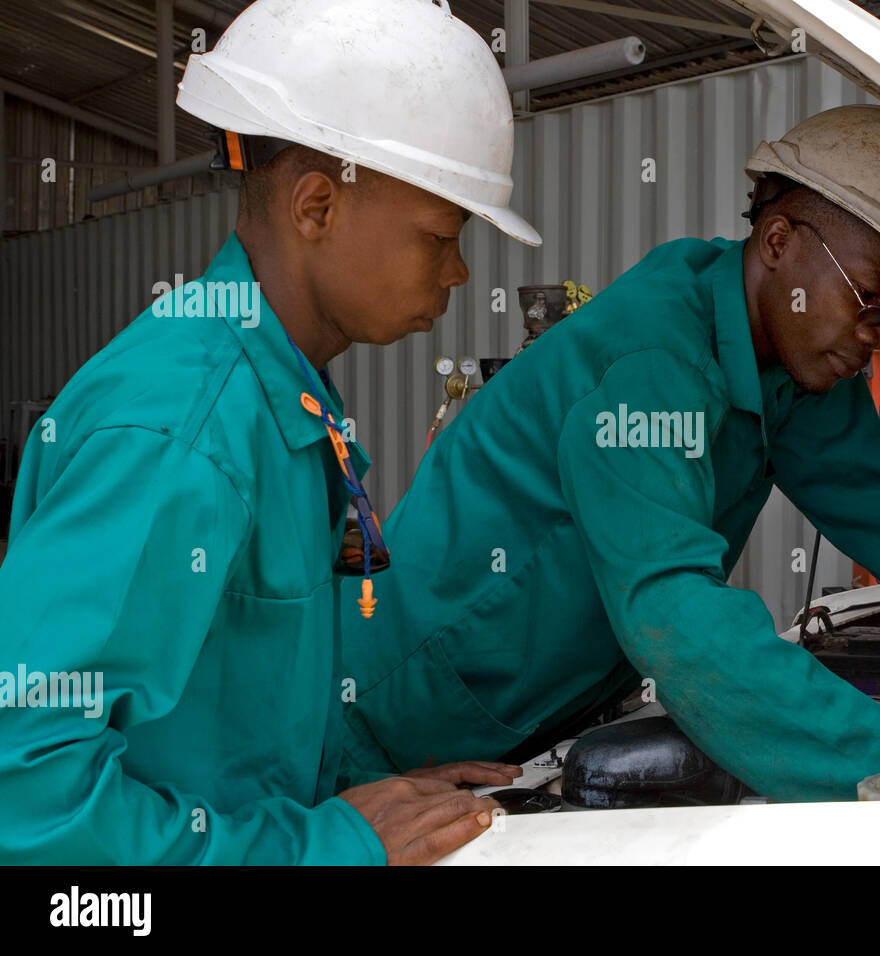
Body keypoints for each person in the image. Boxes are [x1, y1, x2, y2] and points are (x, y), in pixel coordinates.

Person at [339, 105, 880, 801]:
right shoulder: (654, 364)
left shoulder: (783, 362)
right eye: (868, 300)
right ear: (781, 243)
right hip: (389, 729)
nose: (875, 338)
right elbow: (675, 615)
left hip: (531, 715)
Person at [0, 0, 535, 864]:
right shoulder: (183, 431)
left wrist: (373, 793)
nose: (460, 271)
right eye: (441, 236)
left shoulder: (278, 397)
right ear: (317, 207)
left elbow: (234, 723)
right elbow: (23, 794)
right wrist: (325, 848)